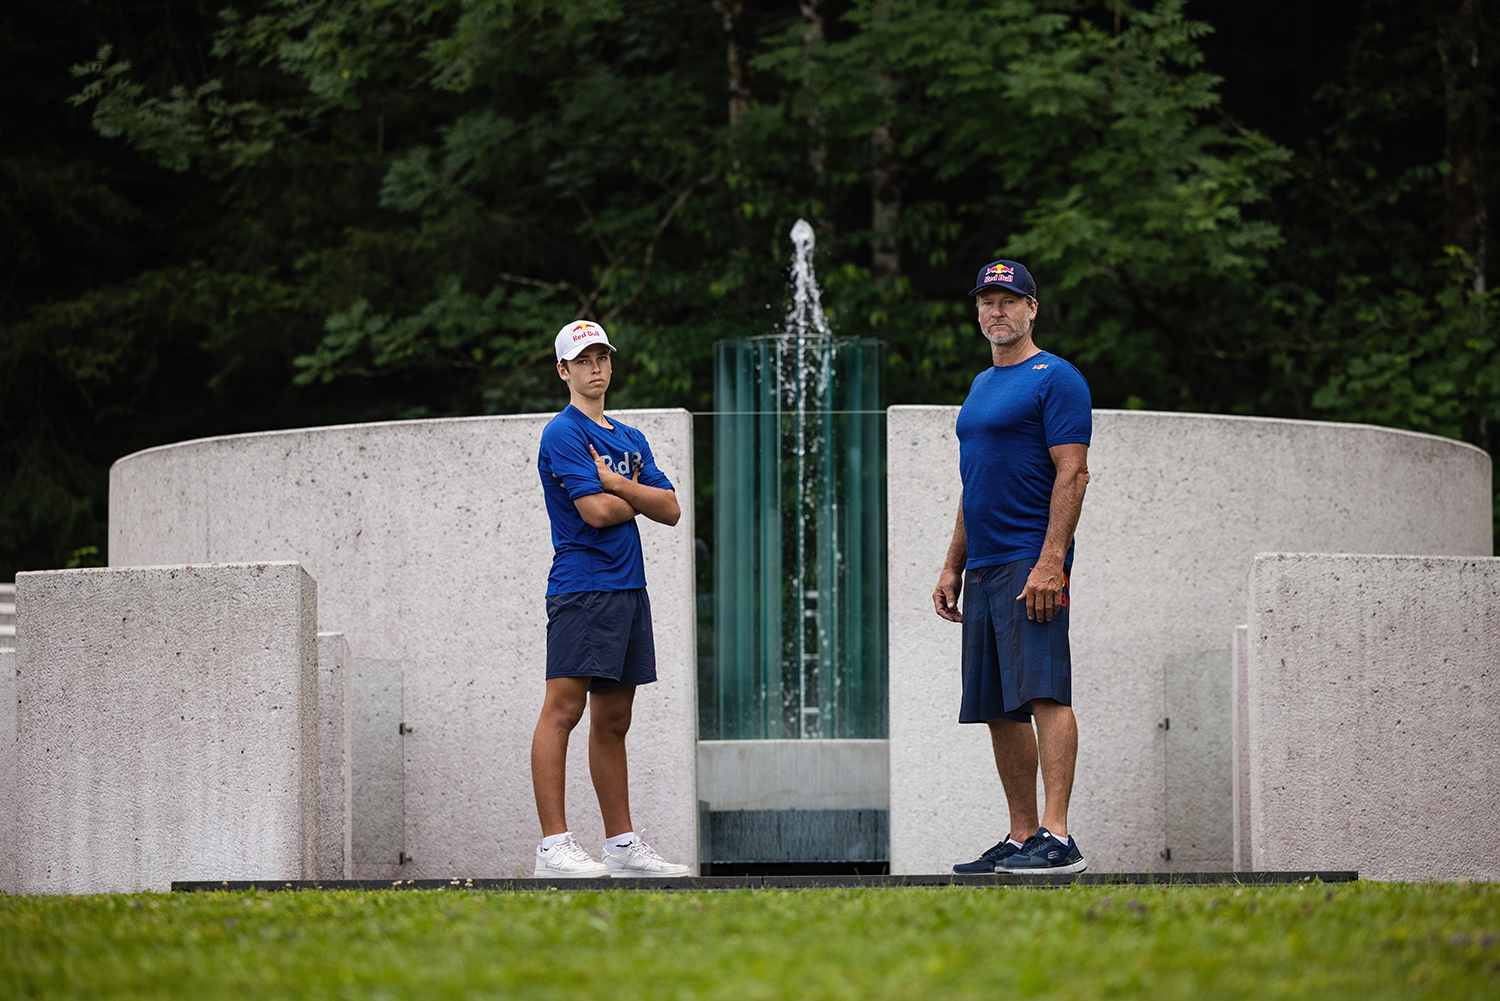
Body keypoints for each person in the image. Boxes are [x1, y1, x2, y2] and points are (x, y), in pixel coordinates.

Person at [932, 260, 1092, 875]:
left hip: (1032, 560)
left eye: (1009, 300)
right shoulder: (979, 387)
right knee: (999, 706)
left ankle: (1059, 835)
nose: (997, 310)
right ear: (977, 312)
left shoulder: (1058, 378)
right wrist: (952, 565)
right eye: (986, 301)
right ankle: (1023, 835)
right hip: (986, 567)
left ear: (1031, 309)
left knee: (1045, 691)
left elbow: (1072, 472)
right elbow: (976, 486)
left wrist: (1052, 562)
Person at [530, 319, 692, 878]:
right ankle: (553, 846)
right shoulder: (564, 433)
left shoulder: (629, 438)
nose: (595, 367)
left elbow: (671, 509)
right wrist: (640, 495)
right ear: (563, 371)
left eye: (601, 356)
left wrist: (621, 485)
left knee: (615, 718)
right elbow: (594, 515)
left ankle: (621, 846)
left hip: (628, 589)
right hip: (581, 587)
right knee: (563, 710)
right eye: (583, 360)